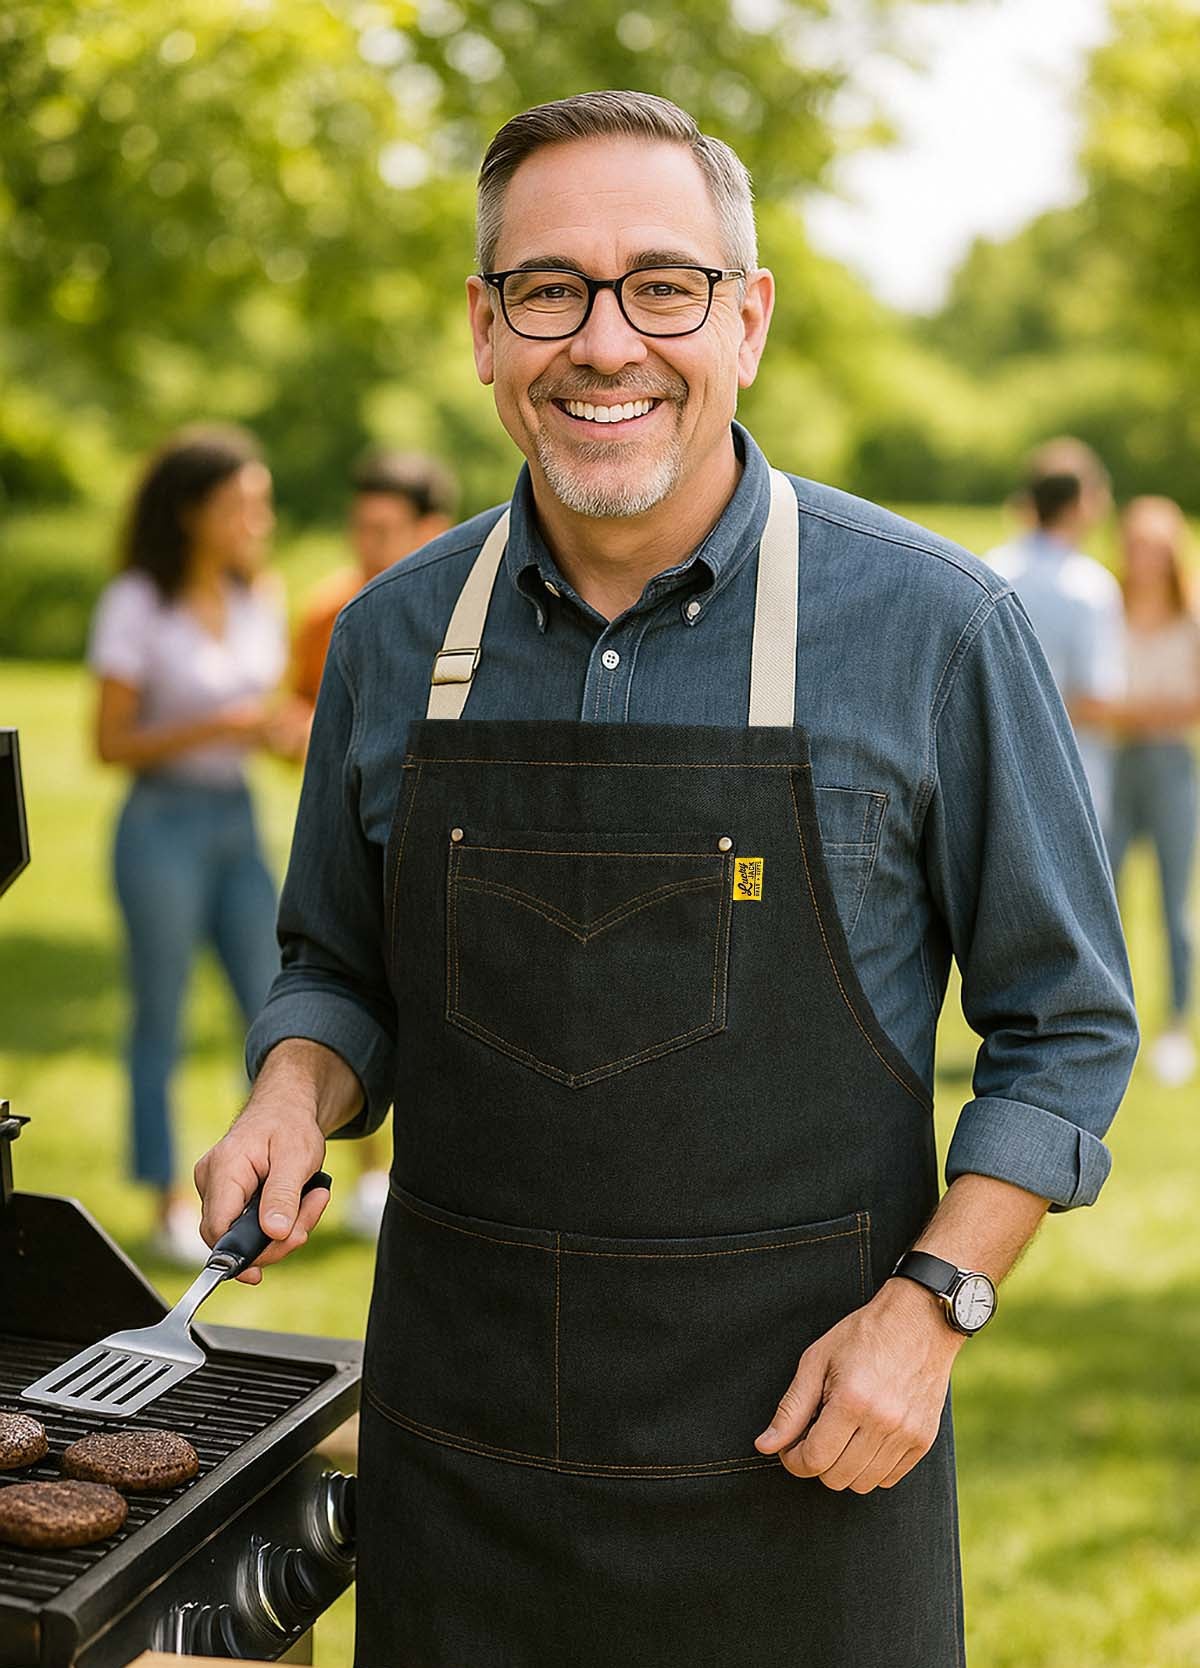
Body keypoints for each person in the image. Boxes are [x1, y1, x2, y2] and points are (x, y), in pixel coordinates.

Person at [194, 92, 1139, 1668]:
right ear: (487, 334)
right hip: (462, 1461)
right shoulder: (386, 640)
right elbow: (335, 971)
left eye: (664, 286)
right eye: (550, 288)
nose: (606, 342)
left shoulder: (934, 630)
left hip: (812, 1454)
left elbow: (1065, 1030)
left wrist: (932, 1312)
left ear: (747, 319)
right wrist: (296, 1090)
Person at [89, 424, 287, 1264]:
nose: (258, 519)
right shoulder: (137, 601)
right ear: (193, 512)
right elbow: (108, 742)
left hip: (237, 818)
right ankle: (167, 1197)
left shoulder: (259, 595)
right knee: (160, 1017)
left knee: (275, 1009)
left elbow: (263, 720)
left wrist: (279, 733)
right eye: (242, 504)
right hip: (160, 824)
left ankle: (274, 1190)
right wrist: (218, 724)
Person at [270, 450, 456, 1236]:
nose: (368, 544)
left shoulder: (466, 608)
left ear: (429, 528)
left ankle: (381, 1174)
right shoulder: (334, 616)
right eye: (360, 528)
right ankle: (363, 1168)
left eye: (385, 530)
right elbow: (299, 718)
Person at [984, 437, 1126, 838]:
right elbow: (1097, 697)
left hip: (998, 772)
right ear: (1080, 504)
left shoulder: (993, 568)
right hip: (1071, 776)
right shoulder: (1090, 588)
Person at [1106, 496, 1200, 1086]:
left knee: (1173, 901)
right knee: (1105, 897)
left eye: (1155, 549)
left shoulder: (1190, 620)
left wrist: (1121, 713)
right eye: (1136, 546)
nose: (1144, 559)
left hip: (1169, 765)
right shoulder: (1104, 610)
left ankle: (1174, 1028)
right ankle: (1113, 1025)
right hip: (1112, 765)